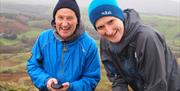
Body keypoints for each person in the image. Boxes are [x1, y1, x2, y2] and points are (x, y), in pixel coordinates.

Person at [88, 0, 180, 91]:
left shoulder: (146, 39)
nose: (109, 31)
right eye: (100, 27)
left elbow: (157, 86)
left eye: (111, 21)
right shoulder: (105, 42)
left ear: (120, 16)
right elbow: (117, 76)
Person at [26, 0, 101, 91]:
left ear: (77, 20)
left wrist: (71, 88)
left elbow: (92, 79)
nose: (64, 24)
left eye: (69, 18)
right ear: (55, 19)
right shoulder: (44, 38)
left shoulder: (89, 45)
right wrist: (46, 80)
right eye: (60, 18)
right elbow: (33, 65)